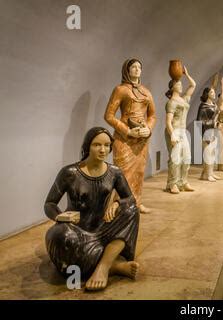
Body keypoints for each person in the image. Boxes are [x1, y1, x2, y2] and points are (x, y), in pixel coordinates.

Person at [44, 127, 140, 291]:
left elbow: (129, 198)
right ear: (87, 146)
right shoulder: (70, 172)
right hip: (76, 232)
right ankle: (114, 265)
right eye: (97, 145)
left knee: (132, 210)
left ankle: (103, 267)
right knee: (60, 236)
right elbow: (49, 204)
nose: (103, 150)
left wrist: (117, 203)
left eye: (107, 145)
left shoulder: (115, 172)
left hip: (103, 229)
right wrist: (60, 217)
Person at [104, 58, 156, 214]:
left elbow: (152, 115)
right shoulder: (120, 90)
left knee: (139, 172)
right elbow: (109, 116)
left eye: (139, 67)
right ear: (126, 70)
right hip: (124, 138)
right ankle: (116, 207)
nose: (137, 69)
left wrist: (149, 128)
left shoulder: (146, 91)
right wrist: (127, 131)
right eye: (133, 67)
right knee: (123, 174)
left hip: (141, 139)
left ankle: (137, 202)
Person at [165, 66, 196, 194]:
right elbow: (168, 122)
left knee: (187, 157)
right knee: (175, 159)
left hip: (182, 132)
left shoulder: (184, 100)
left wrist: (186, 74)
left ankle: (183, 182)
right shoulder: (171, 102)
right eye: (178, 83)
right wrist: (172, 135)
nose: (181, 85)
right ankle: (172, 184)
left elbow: (193, 85)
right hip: (174, 131)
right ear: (172, 87)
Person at [197, 87, 222, 182]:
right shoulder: (203, 106)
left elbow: (215, 117)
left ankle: (209, 173)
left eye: (214, 92)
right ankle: (207, 175)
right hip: (206, 133)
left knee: (212, 154)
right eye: (212, 92)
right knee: (207, 154)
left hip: (213, 132)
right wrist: (213, 123)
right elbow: (199, 121)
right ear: (207, 94)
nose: (214, 94)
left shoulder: (214, 105)